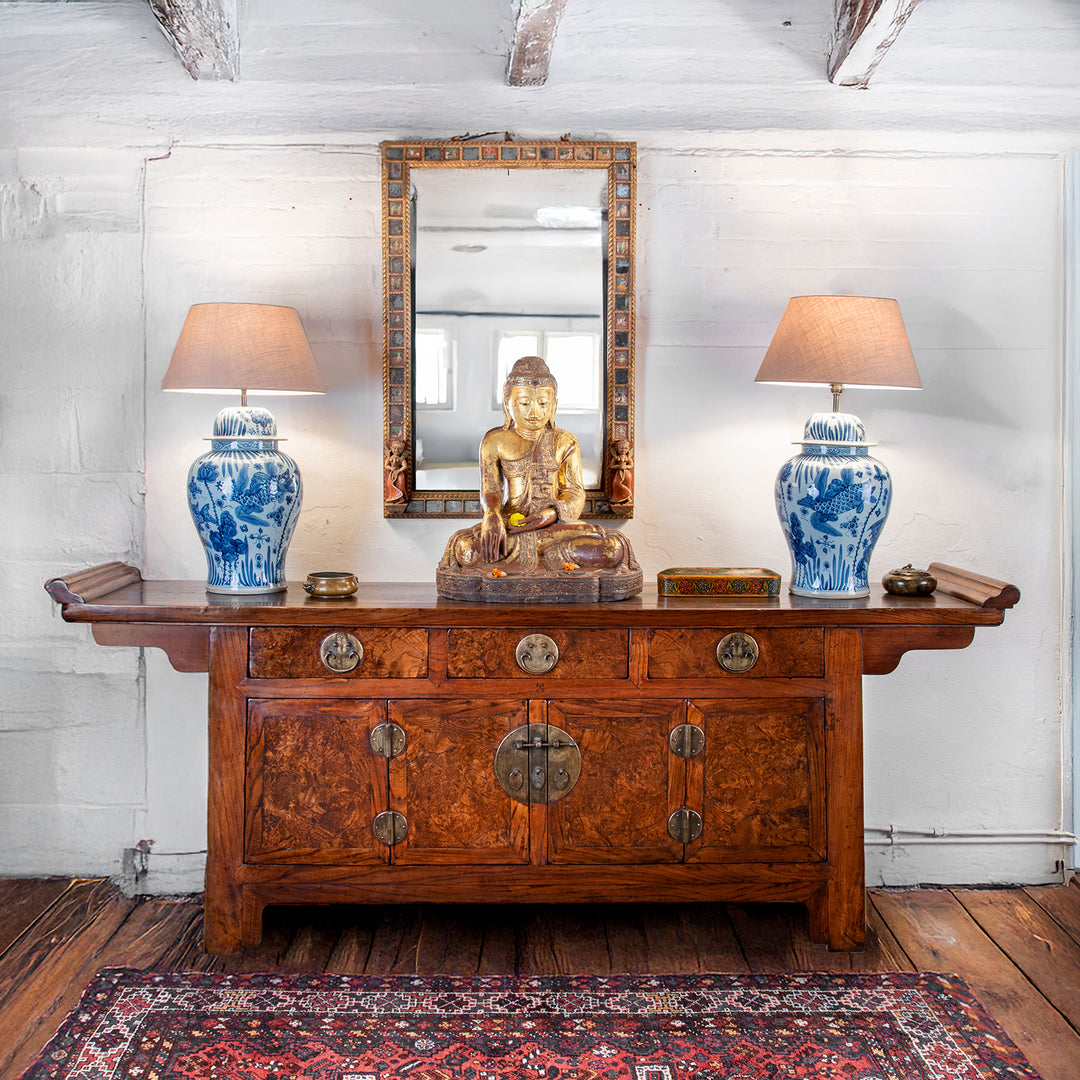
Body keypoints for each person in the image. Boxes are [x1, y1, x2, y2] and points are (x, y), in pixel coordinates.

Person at [438, 356, 638, 580]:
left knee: (612, 548)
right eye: (524, 403)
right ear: (508, 403)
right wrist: (492, 515)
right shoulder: (495, 441)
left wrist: (551, 514)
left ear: (554, 405)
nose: (534, 412)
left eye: (543, 403)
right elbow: (491, 489)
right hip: (512, 525)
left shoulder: (565, 441)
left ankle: (538, 560)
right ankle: (554, 561)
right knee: (466, 549)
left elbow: (574, 491)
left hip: (555, 527)